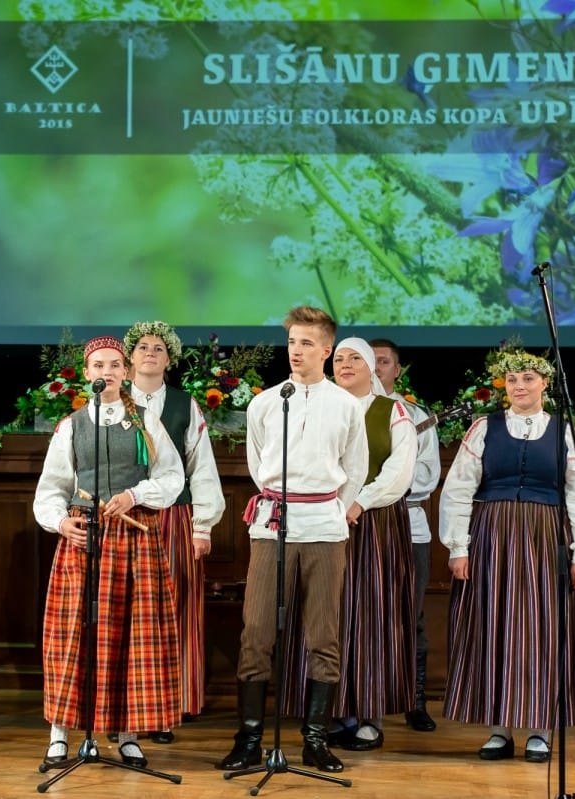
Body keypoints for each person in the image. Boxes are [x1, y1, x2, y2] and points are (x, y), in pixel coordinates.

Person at [217, 306, 368, 775]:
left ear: (326, 350)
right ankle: (250, 739)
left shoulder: (345, 405)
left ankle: (316, 739)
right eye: (291, 342)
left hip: (323, 526)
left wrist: (330, 507)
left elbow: (356, 467)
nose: (296, 351)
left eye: (306, 343)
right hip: (272, 526)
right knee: (257, 631)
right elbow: (257, 459)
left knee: (323, 634)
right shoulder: (265, 402)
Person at [439, 351, 575, 763]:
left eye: (528, 379)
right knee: (494, 625)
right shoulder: (484, 429)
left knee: (540, 630)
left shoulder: (565, 433)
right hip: (493, 536)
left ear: (545, 384)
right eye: (512, 379)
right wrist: (458, 545)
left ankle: (539, 729)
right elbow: (458, 488)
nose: (519, 386)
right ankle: (499, 729)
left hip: (545, 538)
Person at [34, 335, 184, 769]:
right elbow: (51, 490)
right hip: (84, 537)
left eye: (115, 365)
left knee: (130, 636)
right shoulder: (72, 425)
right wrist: (61, 522)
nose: (107, 372)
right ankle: (60, 733)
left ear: (127, 372)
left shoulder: (145, 423)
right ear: (87, 373)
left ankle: (128, 733)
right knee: (73, 636)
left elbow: (172, 477)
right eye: (99, 365)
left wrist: (135, 495)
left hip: (133, 538)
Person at [123, 320, 224, 744]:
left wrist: (202, 526)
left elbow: (201, 467)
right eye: (143, 346)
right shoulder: (113, 400)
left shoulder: (184, 405)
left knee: (174, 609)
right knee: (126, 610)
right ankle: (126, 704)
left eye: (158, 348)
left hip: (172, 519)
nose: (150, 353)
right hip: (124, 518)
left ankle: (167, 707)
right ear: (130, 357)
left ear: (169, 358)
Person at [325, 337, 417, 751]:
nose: (345, 364)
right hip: (326, 521)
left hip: (374, 525)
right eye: (339, 358)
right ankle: (333, 710)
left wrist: (360, 501)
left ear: (371, 368)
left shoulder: (391, 411)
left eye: (354, 359)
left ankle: (369, 716)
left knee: (371, 616)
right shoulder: (322, 408)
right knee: (331, 613)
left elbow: (399, 471)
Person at [371, 337, 441, 732]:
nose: (377, 368)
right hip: (358, 527)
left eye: (384, 362)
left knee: (409, 615)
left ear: (397, 370)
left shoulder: (417, 416)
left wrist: (385, 485)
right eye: (372, 361)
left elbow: (427, 477)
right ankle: (363, 702)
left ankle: (415, 700)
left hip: (408, 527)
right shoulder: (344, 412)